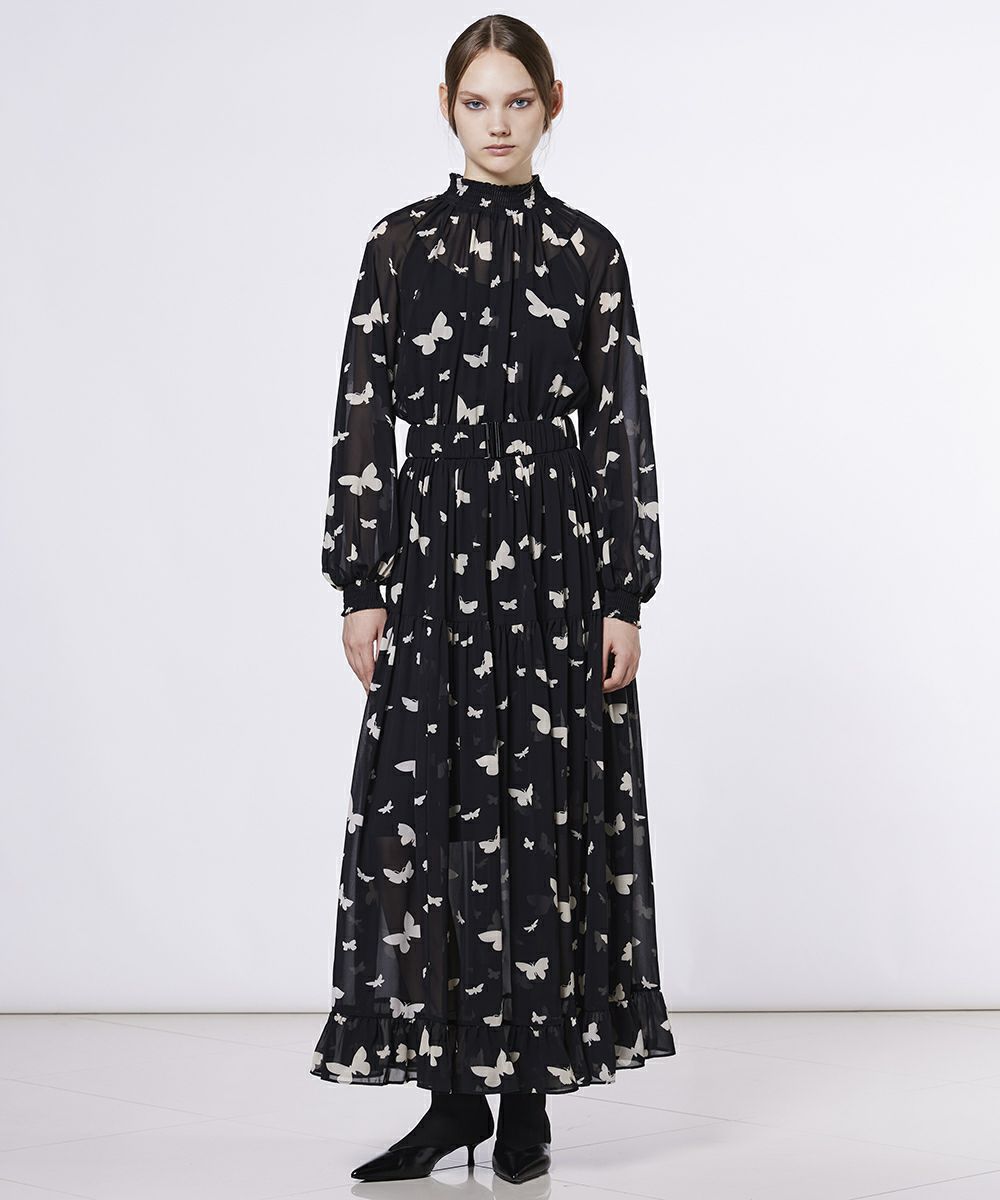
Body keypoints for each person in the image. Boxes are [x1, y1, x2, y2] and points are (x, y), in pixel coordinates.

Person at [309, 13, 677, 1185]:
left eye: (519, 101)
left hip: (555, 570)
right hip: (431, 564)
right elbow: (362, 411)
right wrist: (363, 582)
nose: (499, 123)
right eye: (479, 102)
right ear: (447, 107)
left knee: (541, 820)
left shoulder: (588, 252)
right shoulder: (399, 246)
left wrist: (623, 594)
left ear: (552, 105)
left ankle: (526, 1103)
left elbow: (619, 423)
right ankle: (450, 1097)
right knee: (430, 821)